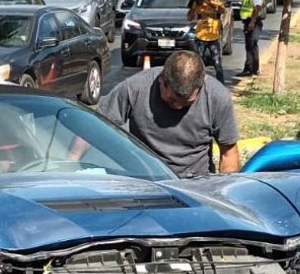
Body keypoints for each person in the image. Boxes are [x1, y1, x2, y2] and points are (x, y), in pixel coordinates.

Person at [72, 50, 239, 178]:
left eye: (186, 103)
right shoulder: (135, 88)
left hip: (195, 183)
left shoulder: (217, 97)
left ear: (202, 85)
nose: (178, 107)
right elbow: (94, 127)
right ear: (161, 79)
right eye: (172, 100)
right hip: (145, 179)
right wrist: (70, 162)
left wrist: (223, 195)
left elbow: (228, 153)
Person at [186, 0, 226, 83]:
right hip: (200, 37)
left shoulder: (217, 3)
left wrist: (210, 2)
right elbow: (189, 18)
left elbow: (222, 10)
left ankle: (221, 83)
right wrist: (194, 5)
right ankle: (197, 82)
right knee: (199, 61)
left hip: (214, 38)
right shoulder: (199, 3)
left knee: (217, 63)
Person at [237, 0, 267, 77]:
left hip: (253, 22)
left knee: (252, 46)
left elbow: (257, 8)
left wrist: (252, 22)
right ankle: (249, 68)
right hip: (249, 22)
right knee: (249, 46)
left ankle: (253, 69)